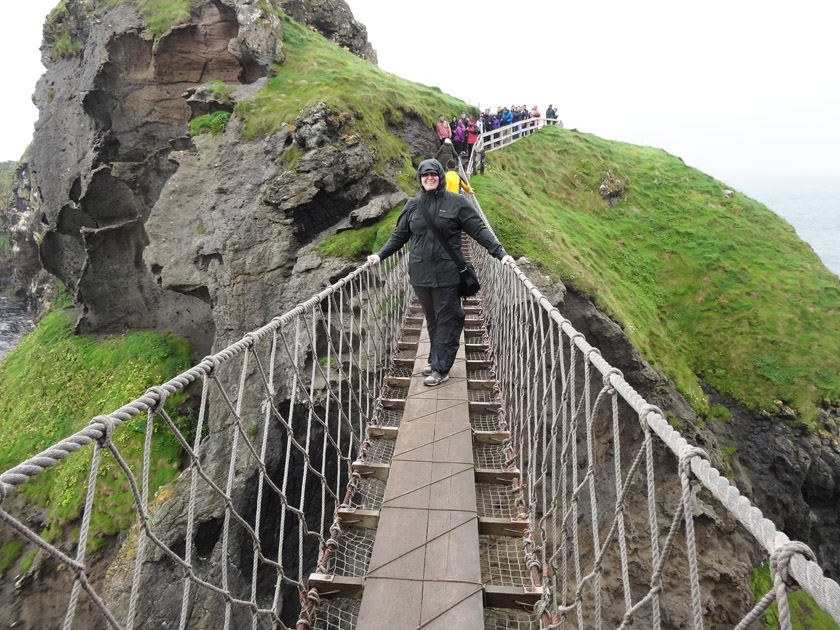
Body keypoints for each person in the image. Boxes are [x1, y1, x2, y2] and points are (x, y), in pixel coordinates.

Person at [367, 159, 513, 386]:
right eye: (425, 175)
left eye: (434, 174)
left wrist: (500, 254)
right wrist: (380, 254)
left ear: (441, 176)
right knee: (432, 318)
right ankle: (436, 358)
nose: (429, 178)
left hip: (448, 273)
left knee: (448, 318)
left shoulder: (457, 202)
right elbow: (399, 236)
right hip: (420, 274)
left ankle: (440, 368)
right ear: (420, 178)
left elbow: (478, 229)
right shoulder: (412, 206)